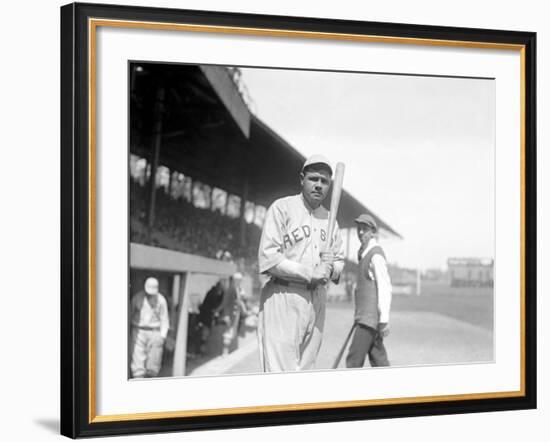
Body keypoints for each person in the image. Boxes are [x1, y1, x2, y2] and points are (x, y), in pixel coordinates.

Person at [257, 154, 345, 372]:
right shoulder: (282, 208)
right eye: (313, 179)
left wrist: (331, 267)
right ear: (301, 179)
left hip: (316, 300)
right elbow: (268, 258)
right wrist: (309, 272)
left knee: (306, 375)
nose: (319, 185)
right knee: (280, 376)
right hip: (283, 295)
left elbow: (340, 262)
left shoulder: (331, 221)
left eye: (324, 182)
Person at [346, 214, 392, 368]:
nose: (360, 232)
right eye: (359, 228)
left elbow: (385, 287)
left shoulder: (376, 254)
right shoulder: (364, 253)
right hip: (365, 318)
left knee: (353, 362)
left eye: (364, 229)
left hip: (368, 321)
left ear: (373, 232)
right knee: (379, 361)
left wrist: (384, 320)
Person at [130, 277, 170, 378]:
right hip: (139, 331)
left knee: (154, 363)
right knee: (138, 362)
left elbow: (164, 318)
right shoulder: (137, 298)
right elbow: (129, 314)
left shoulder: (161, 300)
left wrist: (163, 335)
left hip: (155, 331)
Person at [214, 272, 244, 356]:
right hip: (230, 315)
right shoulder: (231, 289)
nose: (240, 281)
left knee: (231, 332)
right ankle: (225, 351)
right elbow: (225, 303)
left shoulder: (237, 289)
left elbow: (238, 302)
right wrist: (222, 313)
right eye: (239, 280)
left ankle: (228, 350)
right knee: (228, 332)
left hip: (235, 315)